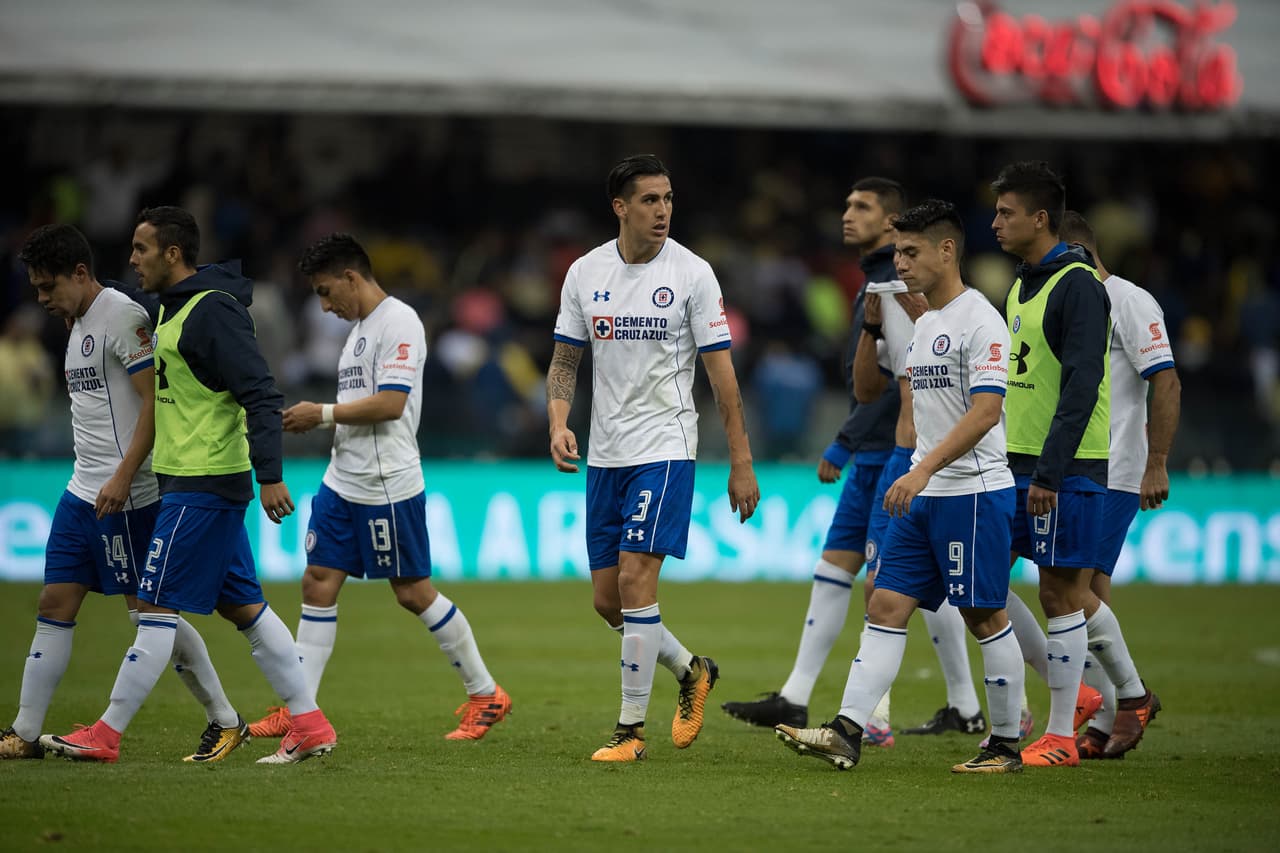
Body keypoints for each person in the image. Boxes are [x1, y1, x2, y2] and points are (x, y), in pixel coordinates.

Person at [39, 206, 336, 765]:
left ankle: (106, 734)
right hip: (194, 480)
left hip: (204, 481)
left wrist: (269, 475)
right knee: (244, 606)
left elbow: (261, 392)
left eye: (141, 249)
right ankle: (311, 723)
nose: (132, 259)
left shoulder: (212, 313)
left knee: (152, 605)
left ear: (172, 254)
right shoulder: (176, 312)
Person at [774, 199, 1025, 773]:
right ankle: (847, 731)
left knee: (984, 614)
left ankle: (1007, 744)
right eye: (898, 252)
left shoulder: (980, 320)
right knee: (885, 603)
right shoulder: (927, 323)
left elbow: (987, 412)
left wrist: (923, 468)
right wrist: (910, 465)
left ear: (946, 250)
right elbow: (908, 409)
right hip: (926, 491)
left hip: (974, 493)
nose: (900, 264)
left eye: (911, 252)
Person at [246, 234, 510, 743]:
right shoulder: (360, 330)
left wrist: (319, 414)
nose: (325, 306)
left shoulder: (400, 322)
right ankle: (300, 708)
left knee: (412, 592)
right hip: (342, 479)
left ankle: (485, 693)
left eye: (327, 293)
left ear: (351, 277)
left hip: (386, 482)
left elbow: (391, 404)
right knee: (317, 581)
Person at [1, 223, 246, 764]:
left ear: (81, 274)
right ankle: (23, 733)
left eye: (48, 288)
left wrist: (122, 475)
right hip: (79, 491)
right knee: (54, 602)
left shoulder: (123, 317)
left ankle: (224, 717)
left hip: (127, 494)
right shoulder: (77, 320)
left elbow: (153, 403)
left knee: (150, 615)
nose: (42, 300)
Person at [546, 154, 759, 762]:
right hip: (606, 452)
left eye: (668, 198)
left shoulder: (693, 274)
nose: (663, 210)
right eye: (649, 200)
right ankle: (693, 670)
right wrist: (558, 423)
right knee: (608, 600)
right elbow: (565, 361)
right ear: (620, 207)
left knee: (638, 580)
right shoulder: (585, 272)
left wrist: (740, 462)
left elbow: (723, 380)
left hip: (666, 446)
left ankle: (629, 733)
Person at [723, 178, 919, 746]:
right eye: (846, 202)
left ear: (892, 222)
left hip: (893, 455)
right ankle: (796, 693)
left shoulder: (895, 286)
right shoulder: (873, 283)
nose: (846, 214)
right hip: (874, 455)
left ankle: (880, 715)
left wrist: (843, 439)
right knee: (836, 569)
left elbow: (898, 383)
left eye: (861, 206)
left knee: (904, 585)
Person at [990, 162, 1158, 768]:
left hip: (1066, 469)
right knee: (983, 581)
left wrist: (1051, 472)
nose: (996, 223)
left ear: (1041, 219)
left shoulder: (1082, 286)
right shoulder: (1020, 284)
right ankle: (1122, 696)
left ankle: (1064, 731)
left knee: (1062, 591)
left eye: (1006, 212)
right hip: (1014, 462)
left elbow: (1083, 385)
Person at [1059, 210, 1176, 758]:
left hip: (1115, 470)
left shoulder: (1129, 300)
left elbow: (1166, 380)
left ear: (1073, 248)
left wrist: (1157, 462)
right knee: (1084, 590)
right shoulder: (1064, 302)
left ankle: (1129, 700)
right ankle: (1108, 717)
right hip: (1072, 466)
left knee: (1076, 590)